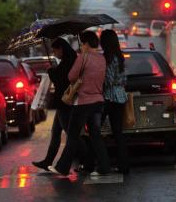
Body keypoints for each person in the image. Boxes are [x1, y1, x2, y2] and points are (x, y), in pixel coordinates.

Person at [49, 31, 111, 176]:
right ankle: (104, 166)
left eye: (82, 43)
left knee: (72, 135)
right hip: (98, 102)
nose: (81, 46)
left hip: (83, 102)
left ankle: (62, 167)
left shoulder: (83, 58)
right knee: (96, 136)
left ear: (87, 43)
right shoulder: (102, 58)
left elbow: (71, 77)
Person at [32, 38, 78, 171]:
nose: (54, 53)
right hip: (62, 103)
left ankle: (86, 157)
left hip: (65, 102)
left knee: (71, 134)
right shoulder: (68, 60)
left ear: (61, 49)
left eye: (55, 50)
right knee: (56, 132)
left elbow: (60, 80)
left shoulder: (69, 61)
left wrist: (51, 71)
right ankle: (48, 160)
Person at [100, 29, 130, 174]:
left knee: (95, 129)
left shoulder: (108, 58)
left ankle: (100, 163)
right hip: (120, 96)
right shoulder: (120, 56)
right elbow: (125, 79)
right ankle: (123, 166)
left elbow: (108, 81)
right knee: (118, 132)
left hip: (108, 97)